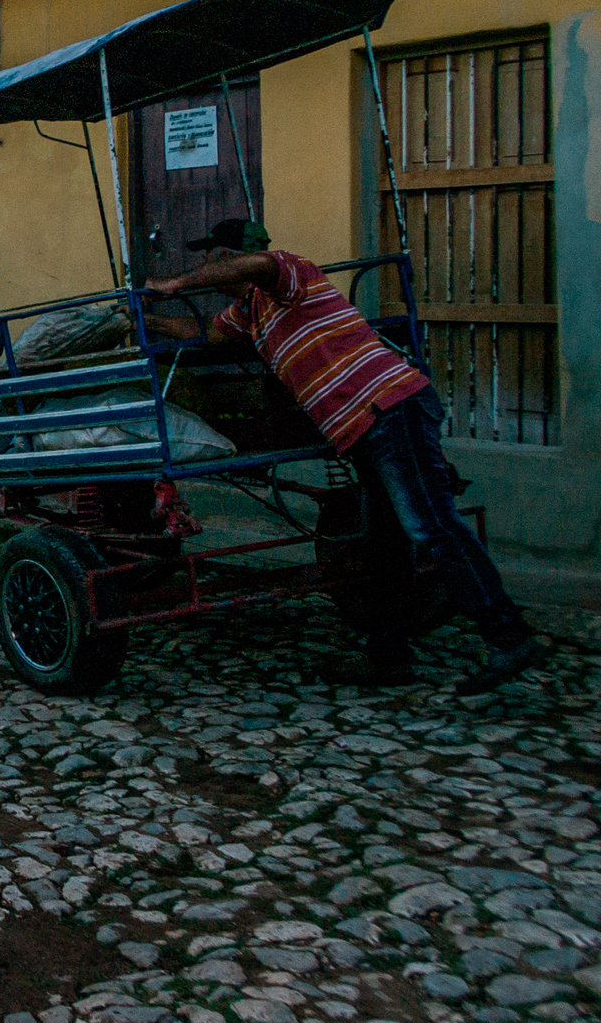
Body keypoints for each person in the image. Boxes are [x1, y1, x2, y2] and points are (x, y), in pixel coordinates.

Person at [144, 217, 543, 694]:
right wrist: (144, 320)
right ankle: (388, 658)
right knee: (385, 546)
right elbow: (206, 331)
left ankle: (509, 634)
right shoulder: (251, 311)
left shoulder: (291, 277)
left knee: (429, 525)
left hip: (389, 409)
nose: (205, 265)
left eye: (210, 257)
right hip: (362, 428)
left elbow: (263, 262)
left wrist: (175, 282)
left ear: (227, 258)